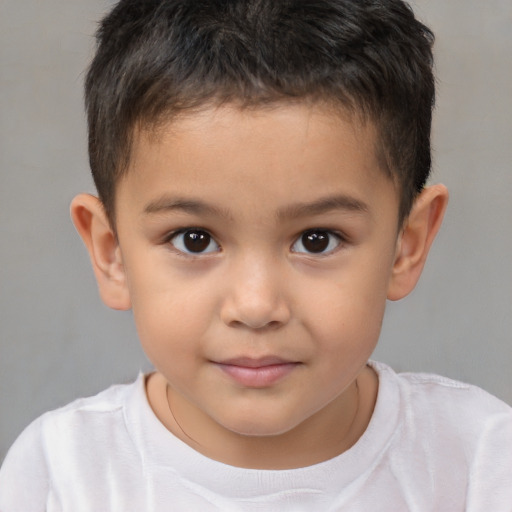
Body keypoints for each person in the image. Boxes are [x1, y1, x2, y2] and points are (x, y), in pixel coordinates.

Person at [0, 0, 510, 509]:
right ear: (112, 254)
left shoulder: (478, 463)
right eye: (194, 239)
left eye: (317, 239)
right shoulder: (59, 475)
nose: (256, 306)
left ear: (407, 244)